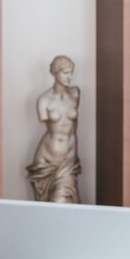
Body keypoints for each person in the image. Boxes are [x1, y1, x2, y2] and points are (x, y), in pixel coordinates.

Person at [26, 55, 82, 203]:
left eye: (71, 72)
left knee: (62, 204)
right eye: (65, 73)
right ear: (54, 73)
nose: (69, 77)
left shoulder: (75, 94)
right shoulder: (44, 100)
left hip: (68, 161)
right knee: (49, 207)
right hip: (46, 160)